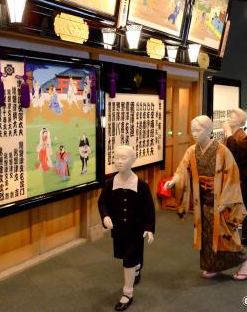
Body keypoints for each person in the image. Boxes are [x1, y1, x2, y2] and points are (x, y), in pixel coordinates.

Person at [164, 115, 247, 280]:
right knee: (207, 236)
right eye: (192, 129)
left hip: (220, 201)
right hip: (203, 200)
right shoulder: (192, 150)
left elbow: (232, 175)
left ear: (209, 131)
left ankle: (245, 261)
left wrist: (226, 200)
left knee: (226, 237)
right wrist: (174, 180)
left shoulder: (222, 150)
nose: (194, 133)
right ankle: (213, 265)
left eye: (198, 129)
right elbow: (183, 168)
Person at [98, 145, 155, 311]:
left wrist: (149, 227)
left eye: (124, 158)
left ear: (133, 160)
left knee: (128, 259)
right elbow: (102, 202)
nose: (119, 161)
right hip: (119, 229)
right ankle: (137, 268)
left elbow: (148, 208)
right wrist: (105, 216)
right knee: (125, 255)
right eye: (117, 158)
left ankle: (127, 293)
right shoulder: (110, 183)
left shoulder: (141, 185)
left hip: (136, 229)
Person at [223, 108, 247, 246]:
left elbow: (234, 153)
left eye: (231, 118)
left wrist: (229, 133)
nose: (228, 120)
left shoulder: (243, 142)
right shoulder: (240, 140)